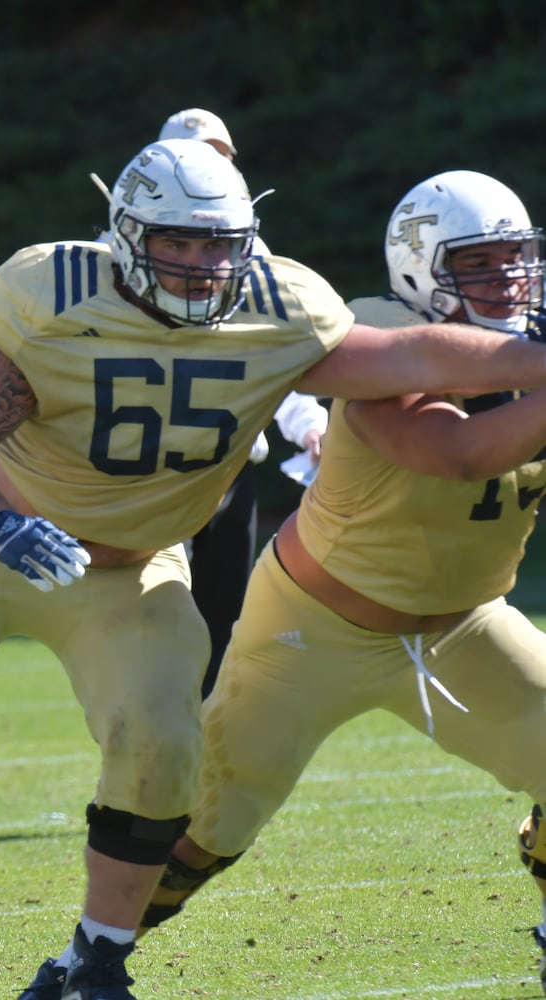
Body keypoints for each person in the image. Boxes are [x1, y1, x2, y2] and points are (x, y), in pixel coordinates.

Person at [0, 139, 546, 1000]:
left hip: (136, 568)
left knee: (165, 748)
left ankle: (95, 963)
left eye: (218, 244)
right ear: (128, 235)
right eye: (179, 243)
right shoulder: (57, 295)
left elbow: (411, 359)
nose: (202, 265)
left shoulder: (278, 311)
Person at [137, 171, 546, 989]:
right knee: (209, 831)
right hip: (312, 628)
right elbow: (456, 453)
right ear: (418, 268)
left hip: (464, 624)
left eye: (516, 259)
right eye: (478, 264)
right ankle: (93, 950)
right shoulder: (381, 333)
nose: (505, 280)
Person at [156, 109, 331, 696]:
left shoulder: (250, 254)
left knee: (222, 627)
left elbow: (271, 358)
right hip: (145, 472)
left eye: (220, 156)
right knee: (151, 628)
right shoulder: (122, 251)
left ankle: (202, 763)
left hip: (228, 472)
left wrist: (310, 426)